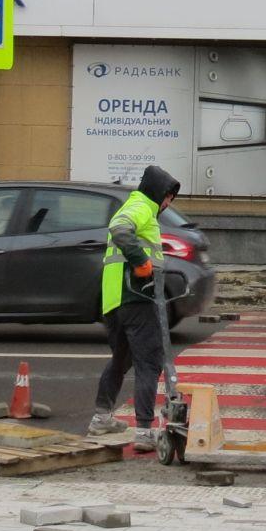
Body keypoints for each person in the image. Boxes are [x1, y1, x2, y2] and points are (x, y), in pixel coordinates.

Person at [89, 164, 182, 438]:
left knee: (121, 360)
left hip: (114, 302)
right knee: (149, 363)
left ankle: (101, 418)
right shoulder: (141, 207)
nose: (167, 204)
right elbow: (120, 229)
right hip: (137, 297)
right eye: (168, 197)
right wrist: (141, 262)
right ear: (158, 192)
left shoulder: (133, 205)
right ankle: (144, 431)